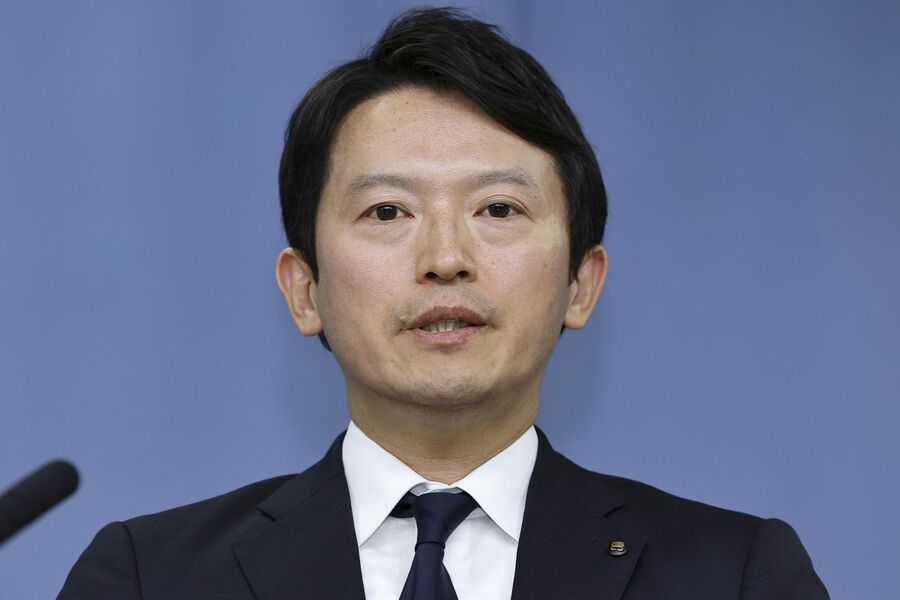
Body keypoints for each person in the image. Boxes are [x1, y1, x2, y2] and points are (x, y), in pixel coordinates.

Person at [59, 8, 828, 599]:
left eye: (498, 209)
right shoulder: (149, 577)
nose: (446, 259)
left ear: (581, 283)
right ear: (304, 290)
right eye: (387, 211)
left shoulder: (733, 575)